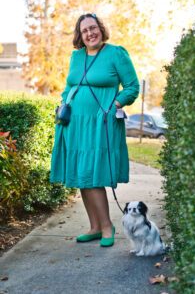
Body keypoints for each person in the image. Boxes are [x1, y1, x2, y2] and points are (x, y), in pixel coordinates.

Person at [50, 13, 140, 247]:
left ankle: (107, 226)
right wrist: (63, 102)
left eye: (93, 28)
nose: (90, 33)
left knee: (94, 175)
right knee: (82, 175)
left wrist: (114, 105)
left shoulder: (116, 53)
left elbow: (132, 86)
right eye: (85, 30)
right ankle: (94, 226)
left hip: (101, 123)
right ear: (80, 35)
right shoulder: (76, 56)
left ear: (101, 28)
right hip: (74, 124)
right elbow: (70, 85)